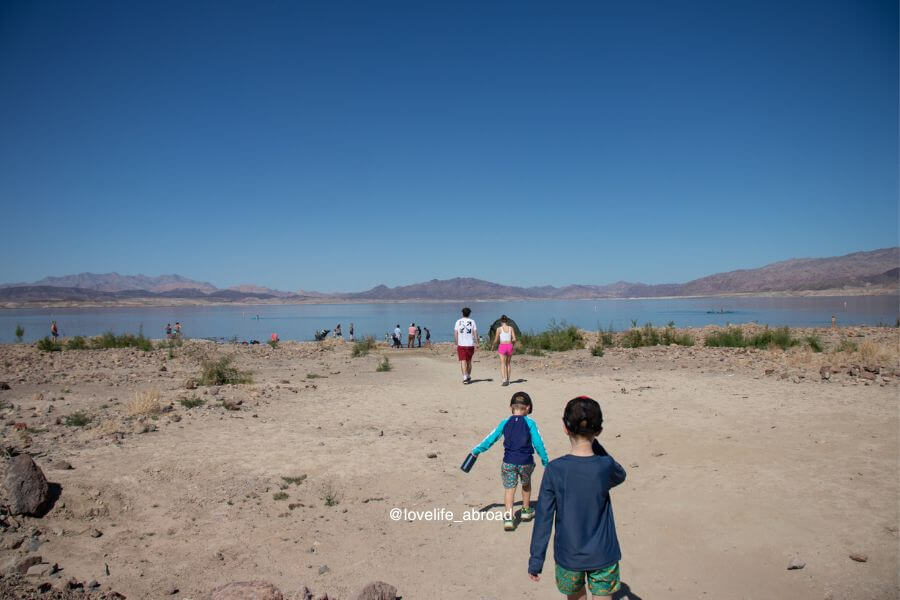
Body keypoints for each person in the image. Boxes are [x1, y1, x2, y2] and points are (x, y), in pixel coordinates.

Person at [528, 396, 627, 600]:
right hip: (603, 554)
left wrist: (536, 560)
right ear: (598, 430)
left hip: (569, 556)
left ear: (565, 428)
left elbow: (543, 519)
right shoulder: (605, 466)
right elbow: (620, 474)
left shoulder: (555, 470)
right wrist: (596, 445)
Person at [471, 392, 549, 531]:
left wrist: (477, 450)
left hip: (508, 462)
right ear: (528, 408)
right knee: (526, 484)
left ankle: (508, 517)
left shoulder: (505, 423)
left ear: (511, 407)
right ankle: (525, 510)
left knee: (509, 489)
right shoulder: (530, 423)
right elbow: (538, 443)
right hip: (526, 462)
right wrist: (545, 460)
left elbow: (491, 438)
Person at [454, 307, 477, 384]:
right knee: (469, 361)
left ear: (462, 313)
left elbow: (456, 333)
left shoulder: (458, 322)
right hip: (470, 344)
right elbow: (475, 333)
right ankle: (468, 375)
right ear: (469, 313)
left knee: (463, 361)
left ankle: (465, 377)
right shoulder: (472, 321)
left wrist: (456, 343)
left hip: (461, 344)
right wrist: (477, 342)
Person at [492, 315, 517, 386]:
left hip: (502, 346)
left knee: (503, 364)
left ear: (501, 321)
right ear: (507, 321)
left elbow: (496, 339)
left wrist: (493, 346)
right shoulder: (511, 328)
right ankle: (508, 380)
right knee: (508, 364)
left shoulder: (499, 329)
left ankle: (504, 380)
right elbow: (514, 339)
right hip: (509, 346)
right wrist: (513, 344)